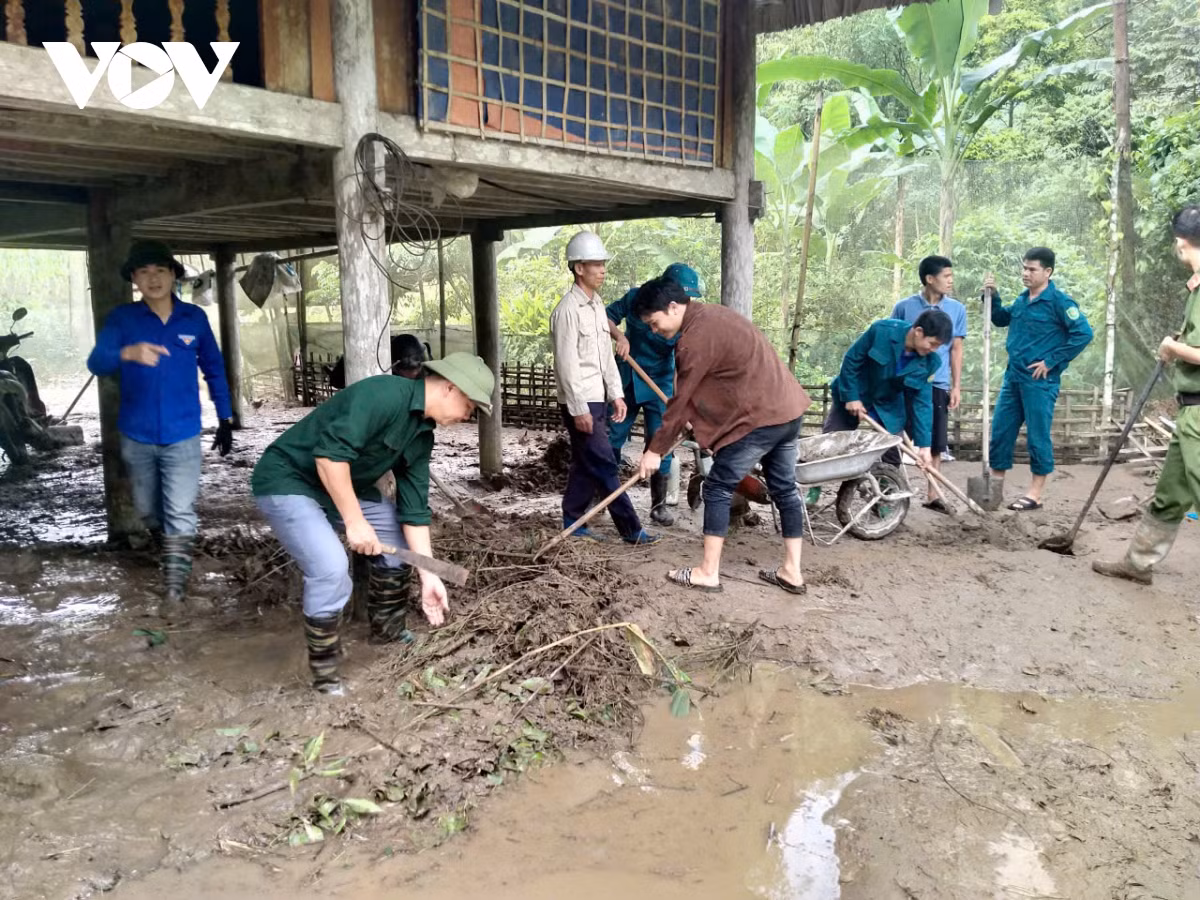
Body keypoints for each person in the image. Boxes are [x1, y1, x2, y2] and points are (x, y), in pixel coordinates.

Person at [251, 352, 494, 695]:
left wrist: (428, 573)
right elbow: (329, 457)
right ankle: (326, 678)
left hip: (342, 488)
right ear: (450, 388)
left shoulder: (423, 435)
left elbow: (414, 510)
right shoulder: (381, 396)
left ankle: (386, 631)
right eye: (470, 406)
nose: (468, 416)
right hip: (290, 480)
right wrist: (355, 521)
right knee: (331, 568)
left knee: (398, 545)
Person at [633, 278, 810, 593]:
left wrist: (654, 450)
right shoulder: (715, 316)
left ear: (673, 307)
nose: (654, 330)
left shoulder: (694, 339)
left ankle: (707, 572)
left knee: (716, 487)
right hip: (788, 411)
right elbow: (721, 382)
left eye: (654, 322)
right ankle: (792, 571)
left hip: (761, 419)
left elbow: (681, 400)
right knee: (784, 489)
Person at [87, 240, 234, 615]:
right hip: (136, 434)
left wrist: (225, 417)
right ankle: (169, 550)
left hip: (183, 433)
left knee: (180, 509)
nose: (153, 278)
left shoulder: (194, 319)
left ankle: (174, 591)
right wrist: (127, 352)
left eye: (160, 270)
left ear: (173, 275)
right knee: (149, 510)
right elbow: (96, 362)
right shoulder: (123, 319)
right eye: (144, 272)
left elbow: (214, 368)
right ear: (134, 278)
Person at [1093, 206, 1200, 584]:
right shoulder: (1195, 288)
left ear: (1181, 244)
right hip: (1189, 412)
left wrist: (1173, 348)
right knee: (1171, 494)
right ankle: (1138, 563)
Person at [550, 231, 658, 544]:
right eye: (596, 264)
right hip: (580, 400)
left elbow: (605, 359)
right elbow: (566, 365)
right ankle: (631, 529)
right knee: (604, 461)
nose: (603, 269)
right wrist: (579, 408)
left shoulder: (597, 305)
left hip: (598, 397)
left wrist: (617, 394)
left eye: (603, 264)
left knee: (586, 462)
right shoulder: (567, 311)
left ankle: (573, 520)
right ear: (578, 268)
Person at [983, 248, 1093, 511]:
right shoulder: (1022, 301)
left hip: (1039, 382)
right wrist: (992, 296)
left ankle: (1035, 494)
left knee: (1037, 436)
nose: (1026, 273)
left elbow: (1083, 334)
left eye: (1032, 269)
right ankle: (993, 492)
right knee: (1000, 432)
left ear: (1048, 272)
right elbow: (999, 319)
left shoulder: (1060, 303)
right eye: (1024, 268)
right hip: (1013, 378)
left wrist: (1052, 361)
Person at [606, 262, 705, 526]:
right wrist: (620, 337)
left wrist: (676, 400)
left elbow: (682, 364)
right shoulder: (637, 298)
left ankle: (658, 506)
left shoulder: (684, 319)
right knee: (612, 435)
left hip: (660, 381)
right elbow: (604, 317)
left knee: (661, 441)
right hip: (628, 377)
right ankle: (604, 494)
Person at [824, 309, 953, 471]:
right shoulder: (882, 331)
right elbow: (851, 361)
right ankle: (816, 489)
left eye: (938, 346)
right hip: (856, 391)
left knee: (892, 454)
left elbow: (923, 405)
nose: (933, 349)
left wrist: (924, 447)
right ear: (919, 331)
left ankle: (889, 489)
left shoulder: (930, 362)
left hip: (888, 405)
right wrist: (851, 397)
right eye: (932, 344)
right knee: (830, 444)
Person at [890, 256, 968, 513]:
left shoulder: (956, 309)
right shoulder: (904, 307)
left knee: (934, 439)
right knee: (893, 436)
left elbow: (956, 349)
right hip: (902, 382)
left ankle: (933, 492)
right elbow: (895, 338)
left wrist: (955, 386)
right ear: (929, 279)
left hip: (936, 382)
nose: (950, 280)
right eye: (946, 276)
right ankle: (889, 489)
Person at [327, 334, 431, 389]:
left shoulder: (418, 357)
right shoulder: (376, 363)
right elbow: (336, 381)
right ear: (395, 366)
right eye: (415, 369)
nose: (419, 371)